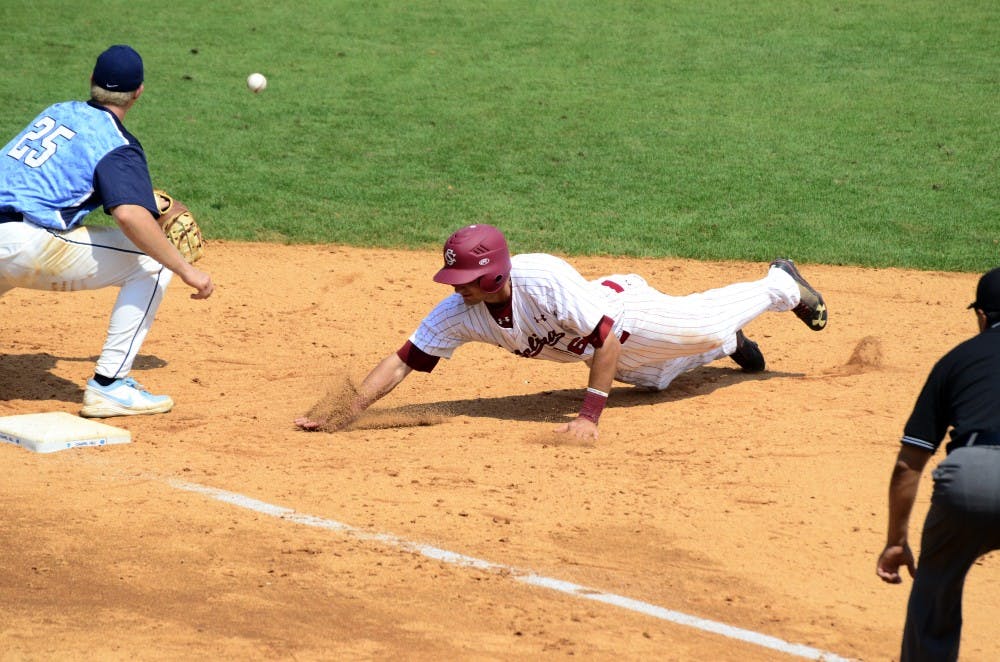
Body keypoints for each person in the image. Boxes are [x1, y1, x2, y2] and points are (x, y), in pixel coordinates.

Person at [296, 223, 828, 438]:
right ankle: (729, 346)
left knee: (700, 323)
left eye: (466, 279)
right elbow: (404, 360)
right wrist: (349, 412)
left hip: (624, 316)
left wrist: (589, 416)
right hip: (599, 342)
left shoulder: (542, 277)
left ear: (495, 274)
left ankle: (779, 284)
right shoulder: (460, 312)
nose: (456, 287)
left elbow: (607, 339)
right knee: (660, 380)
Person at [0, 45, 214, 417]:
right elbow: (130, 216)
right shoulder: (118, 146)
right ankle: (110, 386)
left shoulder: (57, 112)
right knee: (154, 263)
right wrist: (185, 268)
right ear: (138, 92)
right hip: (23, 244)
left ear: (91, 82)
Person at [876, 266, 1000, 661]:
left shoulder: (957, 360)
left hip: (973, 483)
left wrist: (896, 542)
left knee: (936, 592)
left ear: (982, 316)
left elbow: (908, 464)